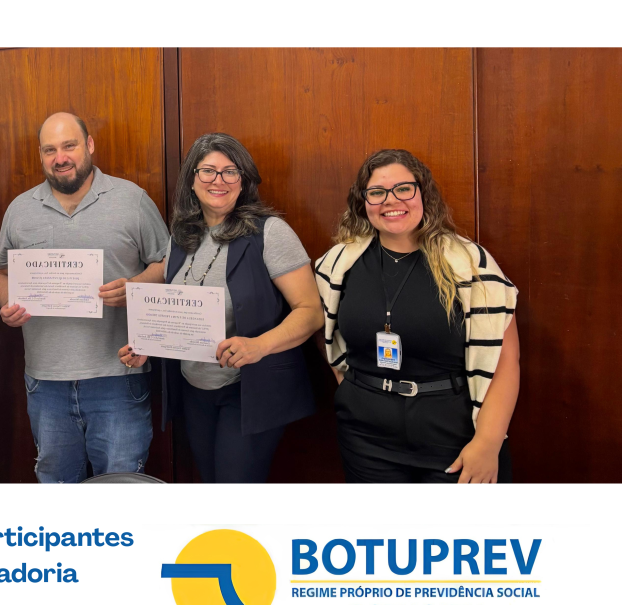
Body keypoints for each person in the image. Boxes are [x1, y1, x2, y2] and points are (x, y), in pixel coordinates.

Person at [119, 133, 322, 483]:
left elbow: (310, 311)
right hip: (195, 389)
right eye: (208, 171)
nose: (219, 180)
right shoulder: (182, 236)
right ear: (192, 179)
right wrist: (148, 345)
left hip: (249, 390)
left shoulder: (270, 233)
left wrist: (258, 346)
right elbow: (180, 314)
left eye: (231, 171)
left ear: (243, 181)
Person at [315, 148, 520, 483]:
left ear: (423, 193)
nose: (391, 200)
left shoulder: (471, 264)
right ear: (363, 202)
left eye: (403, 189)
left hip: (453, 438)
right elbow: (324, 332)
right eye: (377, 192)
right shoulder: (337, 264)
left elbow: (505, 361)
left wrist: (487, 443)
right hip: (365, 438)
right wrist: (356, 391)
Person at [0, 112, 170, 483]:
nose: (60, 158)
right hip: (46, 380)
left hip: (118, 376)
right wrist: (7, 303)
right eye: (50, 150)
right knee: (57, 487)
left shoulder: (132, 199)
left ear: (89, 145)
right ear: (41, 155)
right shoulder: (20, 209)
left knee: (121, 489)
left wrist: (135, 286)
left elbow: (168, 264)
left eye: (69, 146)